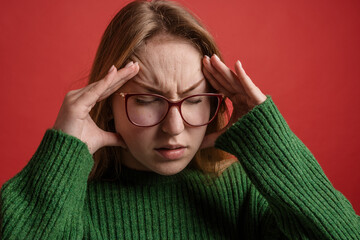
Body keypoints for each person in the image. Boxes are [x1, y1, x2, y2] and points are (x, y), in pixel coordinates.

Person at [1, 0, 359, 239]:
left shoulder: (239, 193)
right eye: (146, 101)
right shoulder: (68, 202)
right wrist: (61, 156)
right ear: (108, 103)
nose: (174, 128)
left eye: (196, 99)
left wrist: (271, 143)